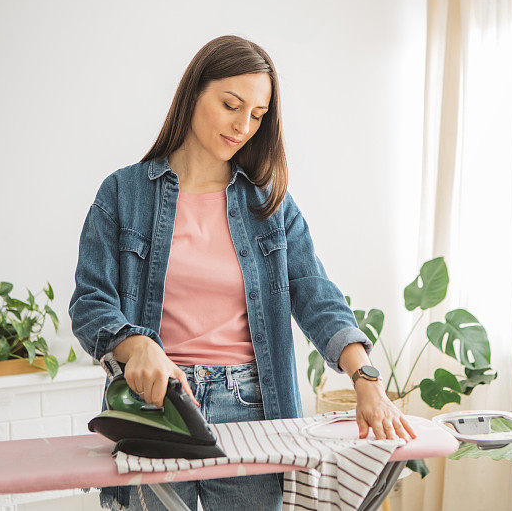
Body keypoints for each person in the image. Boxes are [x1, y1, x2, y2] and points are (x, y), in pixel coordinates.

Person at [69, 35, 416, 511]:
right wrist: (139, 344)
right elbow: (91, 303)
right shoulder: (123, 194)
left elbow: (315, 293)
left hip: (253, 405)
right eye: (231, 105)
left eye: (257, 115)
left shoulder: (268, 204)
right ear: (194, 93)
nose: (242, 126)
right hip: (160, 405)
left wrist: (366, 379)